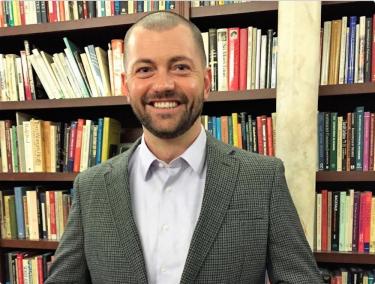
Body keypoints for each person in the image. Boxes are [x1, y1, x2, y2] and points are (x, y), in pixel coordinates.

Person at [46, 11, 322, 284]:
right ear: (126, 86)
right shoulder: (91, 187)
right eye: (145, 70)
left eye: (180, 67)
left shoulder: (262, 178)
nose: (163, 84)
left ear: (206, 82)